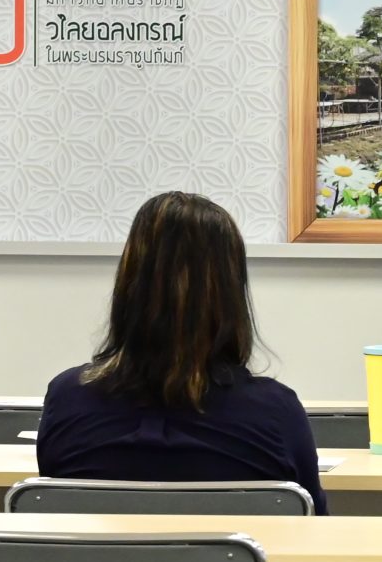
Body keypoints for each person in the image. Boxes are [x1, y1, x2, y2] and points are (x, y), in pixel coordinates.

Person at [37, 190, 326, 512]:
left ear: (129, 283)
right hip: (233, 549)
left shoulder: (67, 399)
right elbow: (313, 524)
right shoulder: (275, 411)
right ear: (231, 292)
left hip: (99, 549)